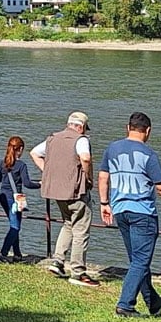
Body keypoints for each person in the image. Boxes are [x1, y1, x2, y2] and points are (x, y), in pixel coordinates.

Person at [97, 112, 161, 317]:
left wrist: (104, 203)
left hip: (120, 210)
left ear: (127, 127)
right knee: (140, 260)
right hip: (142, 213)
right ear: (148, 131)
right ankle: (125, 305)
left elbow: (103, 177)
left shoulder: (112, 149)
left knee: (138, 259)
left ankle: (152, 301)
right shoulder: (149, 155)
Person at [30, 111, 100, 288]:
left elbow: (34, 153)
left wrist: (48, 173)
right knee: (81, 231)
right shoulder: (81, 140)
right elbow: (85, 157)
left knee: (68, 223)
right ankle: (78, 272)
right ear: (81, 127)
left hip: (56, 191)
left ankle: (57, 262)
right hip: (76, 192)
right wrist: (88, 177)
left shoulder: (53, 138)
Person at [0, 136, 39, 262]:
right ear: (20, 149)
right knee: (15, 227)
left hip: (3, 197)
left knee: (15, 224)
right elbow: (27, 183)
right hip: (15, 200)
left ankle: (17, 254)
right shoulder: (21, 165)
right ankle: (2, 254)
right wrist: (40, 184)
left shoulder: (3, 162)